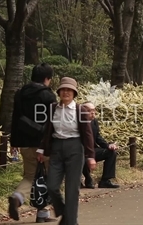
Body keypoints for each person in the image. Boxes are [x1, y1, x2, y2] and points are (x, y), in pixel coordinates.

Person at [36, 77, 96, 225]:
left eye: (69, 90)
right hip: (56, 148)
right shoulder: (52, 108)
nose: (66, 92)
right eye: (63, 89)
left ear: (74, 93)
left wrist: (90, 156)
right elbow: (47, 131)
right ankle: (64, 211)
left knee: (71, 189)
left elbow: (88, 135)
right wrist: (41, 149)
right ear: (59, 92)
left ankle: (71, 222)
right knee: (51, 185)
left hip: (75, 149)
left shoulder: (80, 110)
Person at [8, 63, 57, 223]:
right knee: (51, 176)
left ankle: (18, 197)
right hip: (43, 143)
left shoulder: (20, 94)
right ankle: (47, 210)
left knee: (30, 175)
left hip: (24, 143)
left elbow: (15, 119)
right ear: (47, 79)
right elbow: (52, 123)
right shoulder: (48, 96)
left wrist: (14, 142)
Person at [81, 101, 120, 189]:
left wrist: (108, 146)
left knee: (111, 153)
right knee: (81, 156)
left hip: (93, 149)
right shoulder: (77, 122)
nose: (93, 113)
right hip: (81, 150)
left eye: (94, 110)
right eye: (89, 110)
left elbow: (98, 137)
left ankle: (105, 180)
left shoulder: (94, 121)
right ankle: (88, 179)